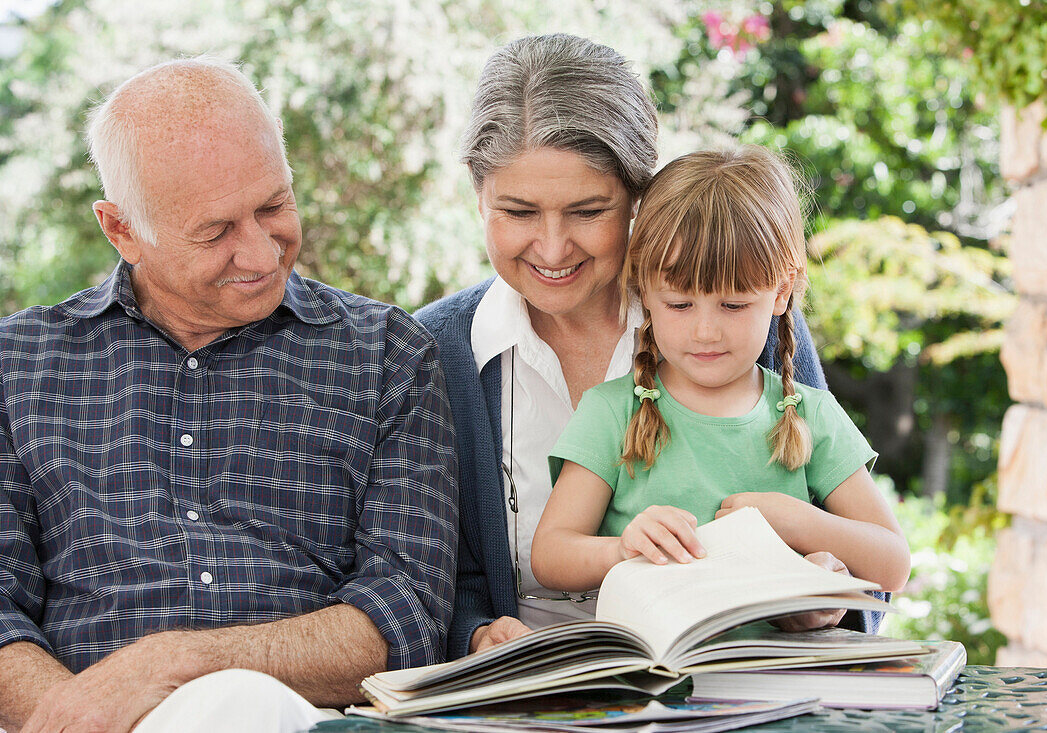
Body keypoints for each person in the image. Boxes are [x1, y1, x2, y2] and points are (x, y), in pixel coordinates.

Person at [0, 57, 458, 733]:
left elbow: (406, 613)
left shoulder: (388, 352)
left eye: (274, 206)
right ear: (121, 230)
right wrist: (78, 715)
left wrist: (179, 663)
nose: (263, 253)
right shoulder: (19, 365)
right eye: (215, 233)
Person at [416, 33, 852, 661]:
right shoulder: (433, 352)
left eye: (587, 211)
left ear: (638, 199)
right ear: (477, 196)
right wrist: (474, 632)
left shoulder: (733, 325)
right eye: (517, 211)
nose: (553, 246)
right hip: (528, 695)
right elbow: (412, 573)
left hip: (721, 685)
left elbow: (849, 550)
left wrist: (823, 599)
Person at [531, 148, 910, 604]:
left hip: (777, 671)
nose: (705, 331)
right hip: (652, 670)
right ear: (643, 290)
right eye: (679, 304)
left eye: (733, 305)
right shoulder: (612, 412)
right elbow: (550, 555)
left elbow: (893, 565)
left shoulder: (811, 415)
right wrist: (623, 547)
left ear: (781, 291)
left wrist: (800, 531)